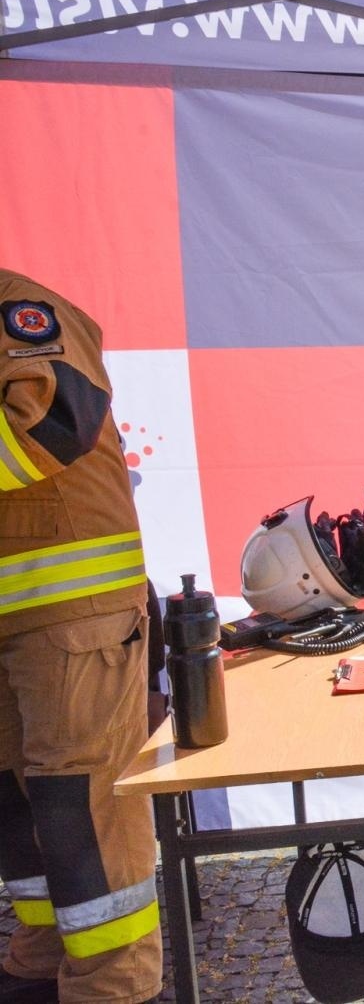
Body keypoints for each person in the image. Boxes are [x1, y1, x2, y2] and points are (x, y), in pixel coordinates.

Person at [0, 271, 161, 1004]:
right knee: (18, 810)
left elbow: (59, 416)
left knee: (79, 809)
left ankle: (114, 989)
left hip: (72, 613)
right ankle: (37, 970)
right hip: (19, 620)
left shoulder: (17, 310)